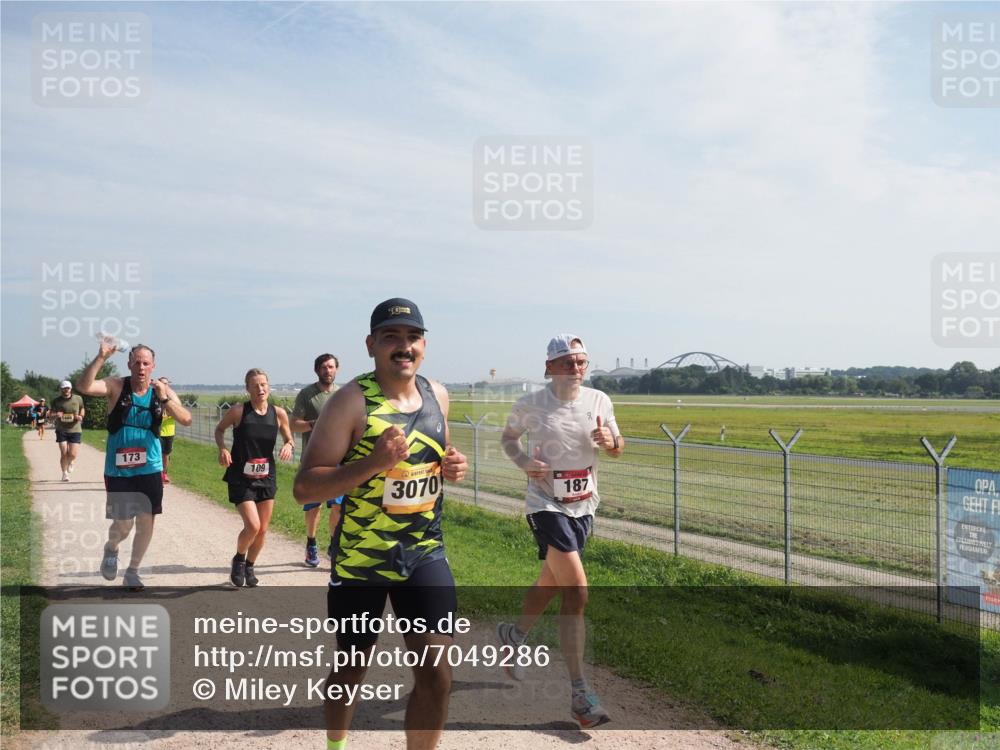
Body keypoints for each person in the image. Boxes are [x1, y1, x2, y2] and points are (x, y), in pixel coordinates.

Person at [293, 298, 468, 750]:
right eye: (392, 337)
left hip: (424, 552)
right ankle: (336, 744)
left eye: (412, 337)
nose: (403, 347)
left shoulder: (437, 394)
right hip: (361, 559)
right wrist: (373, 462)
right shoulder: (349, 402)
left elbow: (435, 453)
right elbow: (306, 487)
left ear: (424, 345)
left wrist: (451, 465)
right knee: (351, 667)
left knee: (437, 672)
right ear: (371, 344)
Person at [498, 334, 624, 729]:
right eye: (568, 362)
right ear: (550, 367)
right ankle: (580, 695)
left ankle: (514, 634)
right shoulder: (530, 405)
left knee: (551, 582)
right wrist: (525, 463)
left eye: (582, 362)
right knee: (578, 592)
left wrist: (612, 440)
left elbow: (618, 445)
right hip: (545, 505)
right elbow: (508, 440)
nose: (576, 369)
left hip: (584, 506)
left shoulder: (600, 400)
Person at [77, 340, 191, 591]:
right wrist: (101, 357)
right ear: (129, 364)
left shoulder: (162, 390)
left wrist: (164, 399)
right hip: (119, 469)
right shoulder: (117, 385)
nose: (141, 367)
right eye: (136, 362)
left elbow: (186, 419)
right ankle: (112, 548)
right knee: (124, 523)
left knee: (147, 521)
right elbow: (84, 386)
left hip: (150, 467)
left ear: (153, 366)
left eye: (146, 363)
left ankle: (133, 571)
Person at [215, 368, 294, 587]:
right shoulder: (239, 411)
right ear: (247, 388)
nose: (260, 389)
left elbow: (289, 437)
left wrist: (288, 444)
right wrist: (223, 449)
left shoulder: (278, 413)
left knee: (263, 530)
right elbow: (219, 430)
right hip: (241, 475)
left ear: (268, 386)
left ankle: (250, 565)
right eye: (255, 385)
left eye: (263, 384)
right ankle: (239, 559)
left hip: (267, 476)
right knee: (253, 526)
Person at [290, 353, 343, 567]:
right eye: (323, 367)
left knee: (338, 507)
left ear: (336, 370)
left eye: (331, 367)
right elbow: (294, 424)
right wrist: (314, 424)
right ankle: (311, 544)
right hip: (313, 461)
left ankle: (334, 545)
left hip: (338, 461)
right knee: (315, 506)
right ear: (316, 370)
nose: (327, 371)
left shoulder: (342, 394)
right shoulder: (306, 395)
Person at [51, 381, 85, 482]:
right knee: (64, 452)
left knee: (73, 454)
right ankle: (64, 474)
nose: (66, 390)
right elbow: (50, 414)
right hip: (61, 429)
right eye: (63, 388)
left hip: (75, 429)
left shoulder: (78, 398)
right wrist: (56, 415)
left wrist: (81, 416)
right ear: (61, 389)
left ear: (70, 389)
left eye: (67, 388)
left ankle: (71, 461)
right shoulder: (56, 401)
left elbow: (82, 408)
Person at [158, 378, 176, 484]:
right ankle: (158, 475)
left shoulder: (172, 400)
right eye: (162, 384)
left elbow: (177, 412)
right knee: (158, 454)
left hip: (169, 431)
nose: (165, 386)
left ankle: (164, 473)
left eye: (166, 384)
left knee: (166, 454)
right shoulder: (156, 397)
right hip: (158, 431)